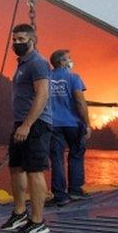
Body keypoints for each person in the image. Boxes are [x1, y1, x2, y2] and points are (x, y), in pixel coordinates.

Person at [0, 24, 53, 233]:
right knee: (16, 168)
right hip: (21, 122)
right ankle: (20, 213)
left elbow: (42, 95)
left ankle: (38, 221)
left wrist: (28, 124)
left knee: (34, 171)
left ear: (33, 40)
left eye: (21, 39)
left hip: (36, 124)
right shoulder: (22, 64)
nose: (16, 43)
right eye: (14, 39)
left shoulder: (38, 63)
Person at [46, 49, 92, 206]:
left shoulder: (46, 78)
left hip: (52, 124)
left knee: (56, 159)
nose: (71, 61)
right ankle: (75, 190)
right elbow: (80, 102)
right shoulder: (73, 78)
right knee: (76, 155)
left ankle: (60, 195)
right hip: (73, 123)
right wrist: (87, 124)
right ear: (61, 62)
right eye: (69, 59)